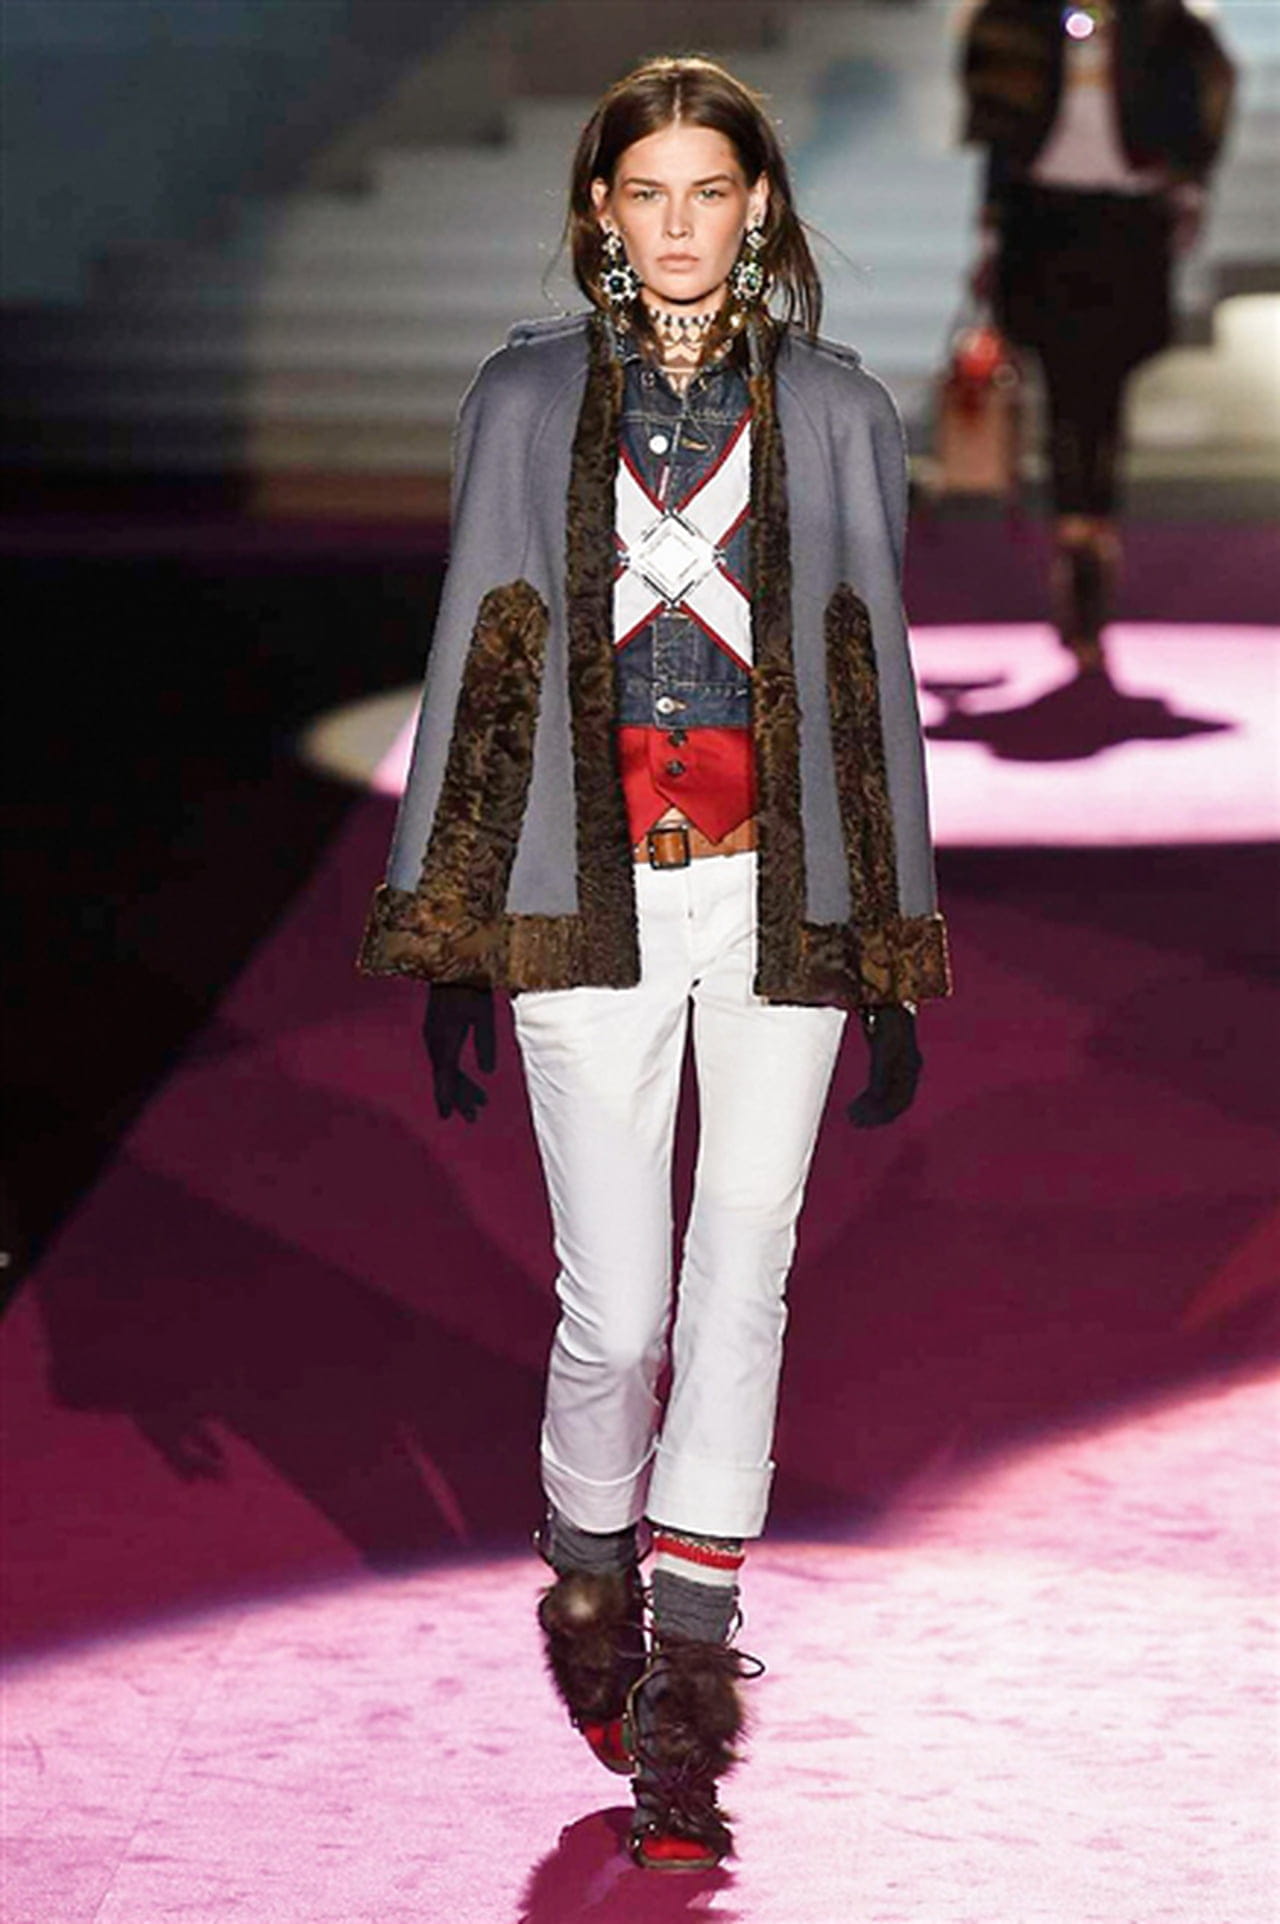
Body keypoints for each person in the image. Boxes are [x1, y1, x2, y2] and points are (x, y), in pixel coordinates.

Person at [359, 55, 951, 1871]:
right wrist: (455, 930)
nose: (680, 223)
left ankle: (686, 1684)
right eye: (648, 193)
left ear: (758, 205)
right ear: (602, 214)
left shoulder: (836, 409)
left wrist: (886, 945)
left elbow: (866, 678)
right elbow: (481, 655)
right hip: (585, 892)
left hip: (777, 898)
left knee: (744, 1269)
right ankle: (588, 1567)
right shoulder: (526, 396)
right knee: (616, 1307)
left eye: (710, 190)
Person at [960, 0, 1235, 675]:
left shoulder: (1169, 26)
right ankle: (1080, 537)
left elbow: (1200, 111)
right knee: (1066, 393)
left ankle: (1087, 534)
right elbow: (998, 130)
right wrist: (991, 226)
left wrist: (1189, 189)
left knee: (1101, 391)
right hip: (1044, 222)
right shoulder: (1017, 20)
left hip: (1127, 224)